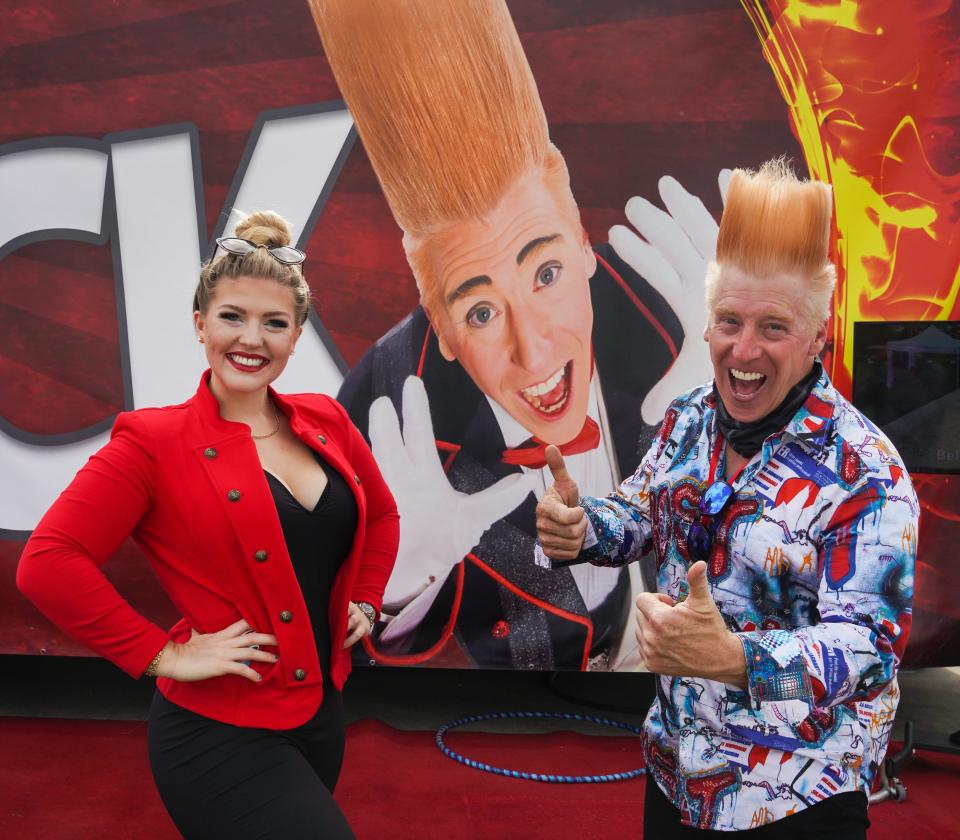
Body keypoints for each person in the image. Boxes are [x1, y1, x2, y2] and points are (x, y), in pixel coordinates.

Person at [309, 0, 720, 671]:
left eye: (548, 272)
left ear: (585, 245)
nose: (534, 352)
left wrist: (727, 407)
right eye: (480, 312)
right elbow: (349, 641)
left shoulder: (677, 323)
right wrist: (397, 585)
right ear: (438, 324)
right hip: (505, 728)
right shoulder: (382, 405)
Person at [536, 159, 918, 835]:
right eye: (728, 321)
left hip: (797, 797)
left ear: (816, 339)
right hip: (678, 772)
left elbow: (868, 654)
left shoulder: (867, 472)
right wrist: (583, 527)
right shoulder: (689, 418)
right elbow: (641, 514)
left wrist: (740, 662)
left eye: (773, 327)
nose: (744, 349)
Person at [17, 210, 399, 839]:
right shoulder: (151, 441)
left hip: (323, 717)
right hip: (217, 734)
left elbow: (381, 516)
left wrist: (366, 597)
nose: (252, 339)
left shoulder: (326, 421)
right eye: (232, 317)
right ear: (201, 325)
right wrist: (161, 654)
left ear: (297, 335)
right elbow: (49, 562)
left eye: (274, 323)